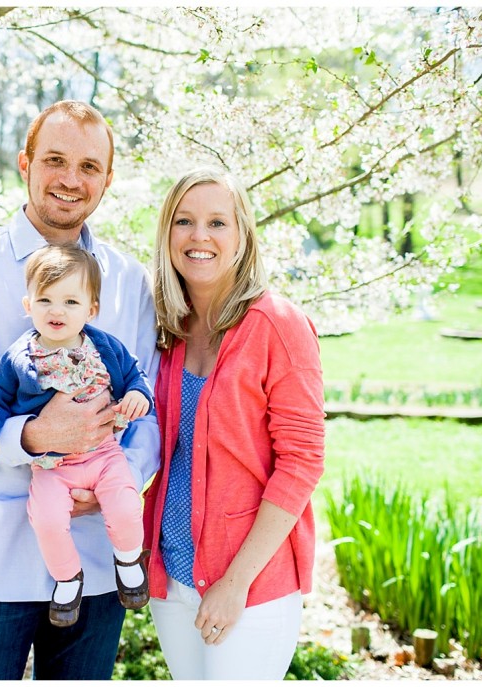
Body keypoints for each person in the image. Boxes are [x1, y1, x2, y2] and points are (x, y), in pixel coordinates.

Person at [0, 100, 160, 680]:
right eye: (54, 159)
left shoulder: (128, 282)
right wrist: (28, 436)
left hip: (99, 562)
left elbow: (147, 410)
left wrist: (115, 482)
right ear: (24, 163)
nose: (71, 179)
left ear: (107, 178)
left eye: (89, 166)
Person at [142, 167, 325, 680]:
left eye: (218, 222)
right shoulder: (169, 327)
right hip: (174, 572)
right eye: (184, 221)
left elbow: (302, 462)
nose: (199, 237)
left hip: (248, 584)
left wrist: (235, 583)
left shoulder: (276, 324)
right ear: (167, 234)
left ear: (242, 234)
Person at [0, 244, 153, 628]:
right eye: (46, 300)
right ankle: (68, 578)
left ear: (91, 310)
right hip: (53, 464)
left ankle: (128, 558)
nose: (57, 311)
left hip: (104, 454)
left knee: (123, 503)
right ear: (28, 304)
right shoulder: (20, 358)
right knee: (47, 518)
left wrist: (137, 395)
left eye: (71, 301)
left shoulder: (104, 347)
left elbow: (136, 375)